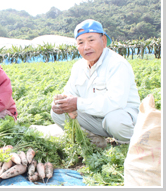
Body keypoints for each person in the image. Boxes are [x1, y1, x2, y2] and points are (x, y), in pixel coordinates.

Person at [50, 19, 140, 148]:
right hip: (95, 119)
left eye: (91, 40)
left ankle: (129, 145)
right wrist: (61, 102)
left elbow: (115, 103)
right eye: (81, 42)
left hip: (122, 118)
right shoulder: (78, 67)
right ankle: (95, 142)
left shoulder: (116, 64)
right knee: (57, 112)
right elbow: (69, 93)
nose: (86, 47)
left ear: (103, 41)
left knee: (114, 120)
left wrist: (77, 103)